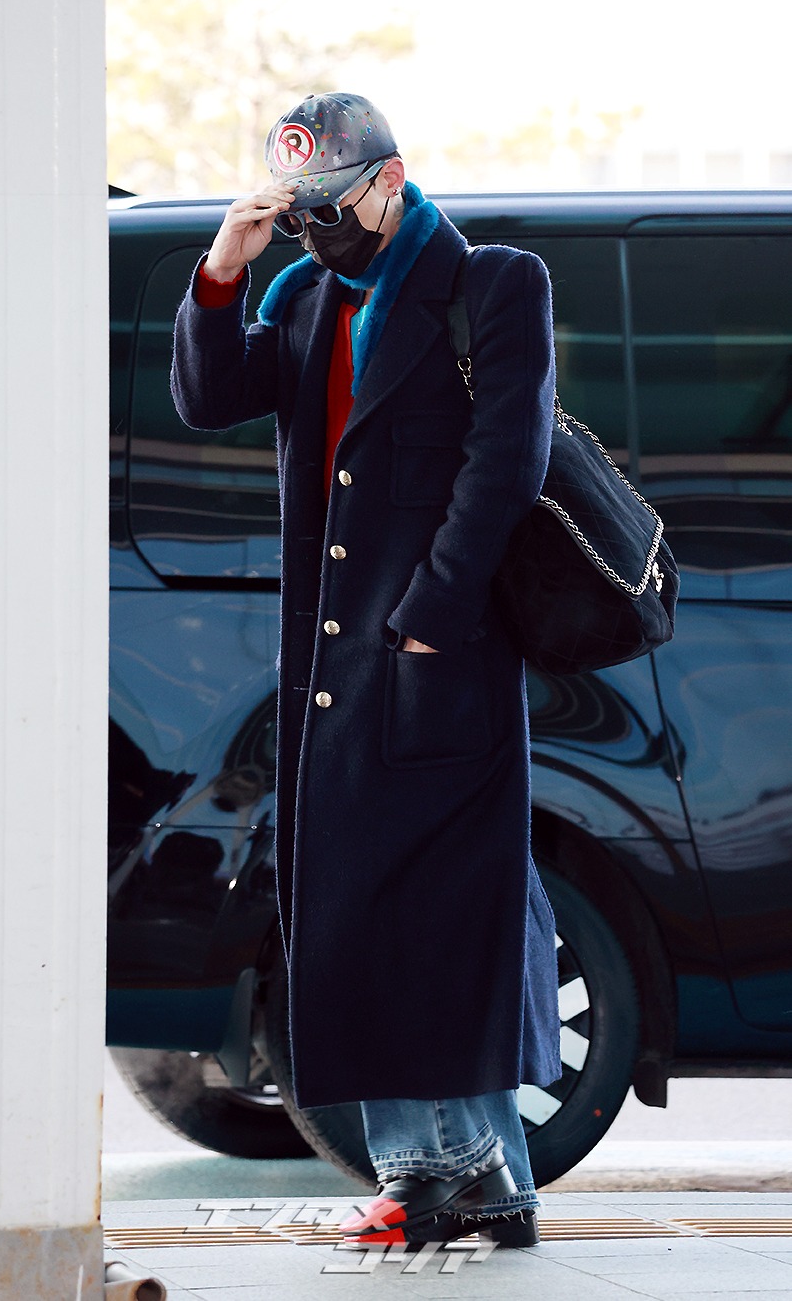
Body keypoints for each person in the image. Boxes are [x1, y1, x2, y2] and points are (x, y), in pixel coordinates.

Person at [170, 92, 563, 1249]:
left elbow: (507, 461)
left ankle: (439, 1171)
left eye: (329, 209)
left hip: (440, 667)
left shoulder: (493, 285)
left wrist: (432, 618)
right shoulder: (302, 296)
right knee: (365, 921)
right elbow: (208, 397)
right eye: (298, 216)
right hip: (333, 676)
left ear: (389, 182)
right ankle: (487, 1185)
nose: (315, 232)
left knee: (437, 921)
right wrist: (225, 268)